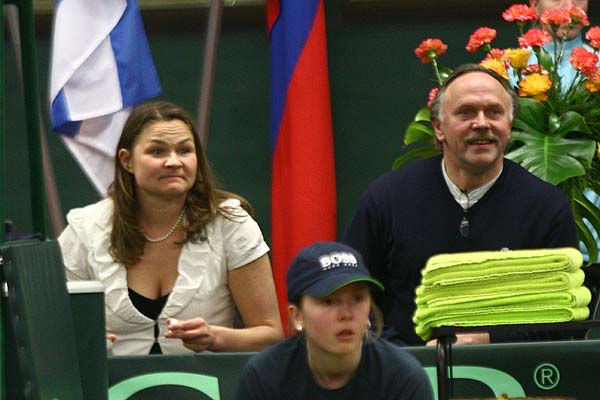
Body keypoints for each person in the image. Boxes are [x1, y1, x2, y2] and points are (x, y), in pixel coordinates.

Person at [343, 64, 579, 346]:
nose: (482, 123)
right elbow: (350, 291)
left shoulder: (546, 207)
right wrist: (404, 357)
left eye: (494, 112)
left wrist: (487, 340)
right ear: (439, 127)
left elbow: (564, 320)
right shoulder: (387, 198)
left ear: (510, 125)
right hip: (402, 364)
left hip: (512, 367)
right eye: (466, 112)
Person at [58, 100, 283, 355]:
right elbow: (52, 332)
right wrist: (85, 341)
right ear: (127, 161)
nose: (174, 161)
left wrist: (217, 337)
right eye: (157, 152)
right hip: (112, 381)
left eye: (184, 150)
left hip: (207, 379)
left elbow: (270, 335)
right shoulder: (85, 229)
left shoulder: (230, 224)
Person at [235, 242, 434, 400]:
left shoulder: (402, 378)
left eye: (358, 298)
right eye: (328, 301)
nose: (346, 314)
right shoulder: (264, 377)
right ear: (297, 316)